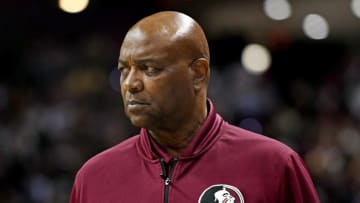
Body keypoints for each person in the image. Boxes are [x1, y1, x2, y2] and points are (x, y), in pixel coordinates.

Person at [69, 11, 320, 203]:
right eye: (124, 70)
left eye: (150, 69)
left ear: (198, 73)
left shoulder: (274, 165)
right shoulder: (93, 178)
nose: (131, 83)